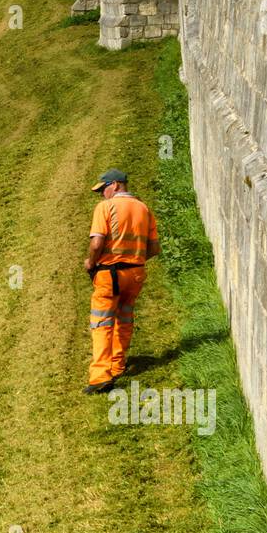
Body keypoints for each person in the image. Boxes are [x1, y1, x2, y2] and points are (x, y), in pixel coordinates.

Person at [83, 169, 160, 395]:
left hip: (109, 275)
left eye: (103, 189)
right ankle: (117, 365)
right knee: (124, 318)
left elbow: (97, 244)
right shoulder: (144, 209)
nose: (102, 195)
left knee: (101, 323)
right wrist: (134, 260)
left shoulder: (105, 208)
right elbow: (154, 248)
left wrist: (91, 262)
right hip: (135, 274)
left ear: (115, 185)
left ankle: (100, 376)